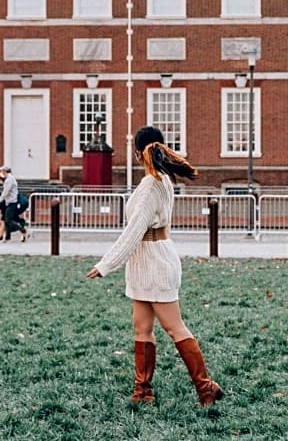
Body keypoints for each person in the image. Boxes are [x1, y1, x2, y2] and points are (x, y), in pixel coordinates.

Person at [86, 126, 223, 408]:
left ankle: (205, 386)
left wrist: (106, 265)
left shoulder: (151, 185)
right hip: (146, 263)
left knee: (174, 327)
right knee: (142, 327)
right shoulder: (159, 179)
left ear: (138, 153)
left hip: (154, 262)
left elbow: (134, 231)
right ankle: (143, 390)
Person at [0, 165, 28, 242]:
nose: (1, 172)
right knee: (7, 219)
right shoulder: (10, 179)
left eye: (2, 171)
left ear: (5, 171)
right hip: (10, 202)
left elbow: (5, 192)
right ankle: (7, 237)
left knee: (8, 219)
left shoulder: (9, 180)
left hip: (11, 202)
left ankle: (22, 230)